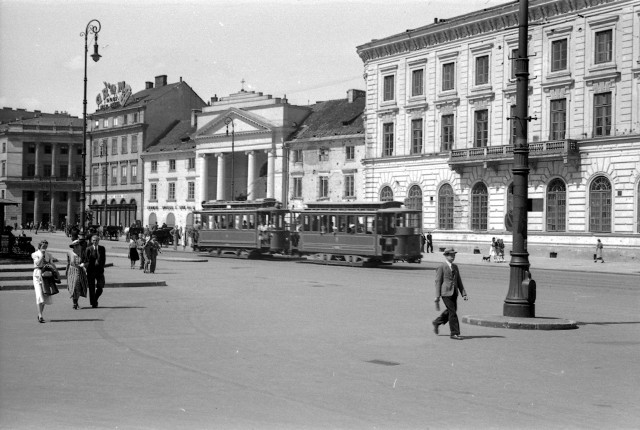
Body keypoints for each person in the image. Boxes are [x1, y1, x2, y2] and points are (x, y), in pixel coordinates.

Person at [432, 248, 468, 340]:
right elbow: (438, 282)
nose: (453, 257)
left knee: (451, 310)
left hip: (454, 292)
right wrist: (437, 296)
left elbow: (459, 280)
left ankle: (437, 322)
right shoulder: (441, 267)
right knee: (452, 312)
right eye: (451, 255)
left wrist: (463, 293)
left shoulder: (455, 267)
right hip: (445, 293)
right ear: (446, 256)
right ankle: (454, 333)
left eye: (454, 255)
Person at [31, 240, 57, 323]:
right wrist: (42, 255)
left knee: (45, 294)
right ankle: (40, 315)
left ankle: (40, 314)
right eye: (43, 246)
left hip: (46, 275)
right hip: (37, 274)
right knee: (39, 294)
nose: (44, 247)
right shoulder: (35, 254)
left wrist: (54, 269)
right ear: (40, 246)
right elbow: (38, 264)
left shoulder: (49, 255)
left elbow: (52, 265)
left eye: (46, 246)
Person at [84, 235, 106, 308]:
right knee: (91, 287)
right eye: (93, 240)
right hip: (91, 271)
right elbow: (86, 260)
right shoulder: (88, 249)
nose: (95, 242)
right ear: (91, 241)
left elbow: (104, 259)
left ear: (98, 241)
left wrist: (101, 266)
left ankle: (95, 299)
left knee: (100, 287)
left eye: (96, 240)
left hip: (99, 271)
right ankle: (93, 302)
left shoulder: (102, 248)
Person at [66, 239, 88, 309]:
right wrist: (66, 272)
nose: (78, 247)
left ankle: (75, 302)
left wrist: (83, 264)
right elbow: (68, 263)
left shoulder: (83, 253)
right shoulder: (69, 253)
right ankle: (74, 302)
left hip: (80, 271)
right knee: (73, 286)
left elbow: (87, 262)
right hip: (72, 271)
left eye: (78, 245)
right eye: (76, 246)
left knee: (78, 286)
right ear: (74, 247)